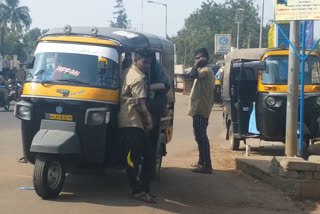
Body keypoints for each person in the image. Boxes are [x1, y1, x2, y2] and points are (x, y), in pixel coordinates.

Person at [118, 48, 156, 203]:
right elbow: (140, 104)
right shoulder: (138, 78)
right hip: (132, 122)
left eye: (149, 62)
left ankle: (142, 188)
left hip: (128, 121)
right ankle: (137, 190)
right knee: (135, 158)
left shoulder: (127, 71)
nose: (147, 65)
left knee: (145, 156)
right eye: (144, 62)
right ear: (135, 60)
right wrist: (148, 120)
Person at [184, 48, 215, 174]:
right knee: (199, 137)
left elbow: (192, 74)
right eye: (195, 59)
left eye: (198, 58)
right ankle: (202, 162)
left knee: (202, 137)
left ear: (204, 59)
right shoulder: (203, 71)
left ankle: (207, 165)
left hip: (201, 109)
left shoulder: (206, 71)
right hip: (199, 108)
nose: (196, 61)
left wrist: (196, 65)